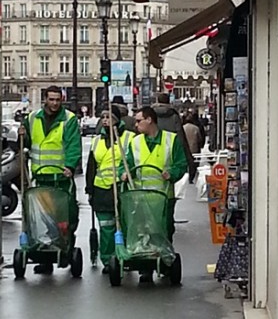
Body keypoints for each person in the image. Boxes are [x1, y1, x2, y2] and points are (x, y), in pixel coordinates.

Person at [19, 85, 82, 274]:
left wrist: (70, 166)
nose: (54, 103)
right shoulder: (32, 118)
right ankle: (45, 255)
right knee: (42, 219)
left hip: (61, 177)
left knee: (65, 217)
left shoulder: (69, 120)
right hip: (40, 177)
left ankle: (64, 249)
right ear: (45, 99)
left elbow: (73, 145)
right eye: (51, 99)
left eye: (57, 99)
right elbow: (27, 143)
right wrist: (23, 137)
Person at [124, 106, 188, 283]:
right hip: (140, 197)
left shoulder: (171, 140)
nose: (135, 125)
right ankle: (146, 267)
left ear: (149, 120)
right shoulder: (135, 142)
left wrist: (172, 173)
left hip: (163, 197)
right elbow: (128, 162)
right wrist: (125, 172)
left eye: (139, 121)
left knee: (163, 231)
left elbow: (181, 164)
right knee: (143, 232)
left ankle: (165, 261)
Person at [85, 105, 135, 274]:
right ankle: (108, 259)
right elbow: (91, 166)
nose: (105, 120)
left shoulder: (128, 138)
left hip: (121, 187)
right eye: (103, 116)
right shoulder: (96, 141)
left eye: (109, 116)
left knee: (124, 224)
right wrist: (89, 189)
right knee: (106, 226)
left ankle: (125, 254)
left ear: (117, 119)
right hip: (101, 189)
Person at [152, 93, 196, 181]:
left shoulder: (151, 115)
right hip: (171, 149)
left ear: (158, 101)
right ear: (168, 101)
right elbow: (181, 137)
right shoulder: (174, 116)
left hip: (153, 148)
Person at [183, 113, 205, 183]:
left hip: (185, 148)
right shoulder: (196, 128)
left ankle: (188, 173)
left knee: (187, 162)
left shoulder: (183, 128)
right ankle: (192, 176)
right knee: (194, 163)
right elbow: (200, 139)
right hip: (194, 148)